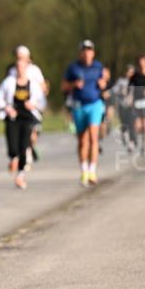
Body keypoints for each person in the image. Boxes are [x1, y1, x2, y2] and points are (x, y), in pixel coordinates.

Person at [61, 40, 109, 186]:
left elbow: (105, 81)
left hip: (95, 104)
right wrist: (73, 84)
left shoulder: (98, 66)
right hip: (79, 106)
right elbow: (63, 86)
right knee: (82, 140)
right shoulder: (73, 68)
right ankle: (84, 171)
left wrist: (103, 84)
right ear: (80, 53)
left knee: (94, 137)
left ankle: (92, 171)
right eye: (84, 50)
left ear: (93, 52)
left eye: (89, 50)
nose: (86, 53)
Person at [0, 50, 47, 189]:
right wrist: (7, 108)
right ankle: (13, 158)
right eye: (18, 67)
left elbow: (42, 102)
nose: (20, 69)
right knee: (13, 146)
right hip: (13, 117)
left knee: (24, 146)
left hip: (27, 117)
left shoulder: (33, 84)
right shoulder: (8, 82)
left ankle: (20, 176)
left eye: (23, 67)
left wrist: (33, 104)